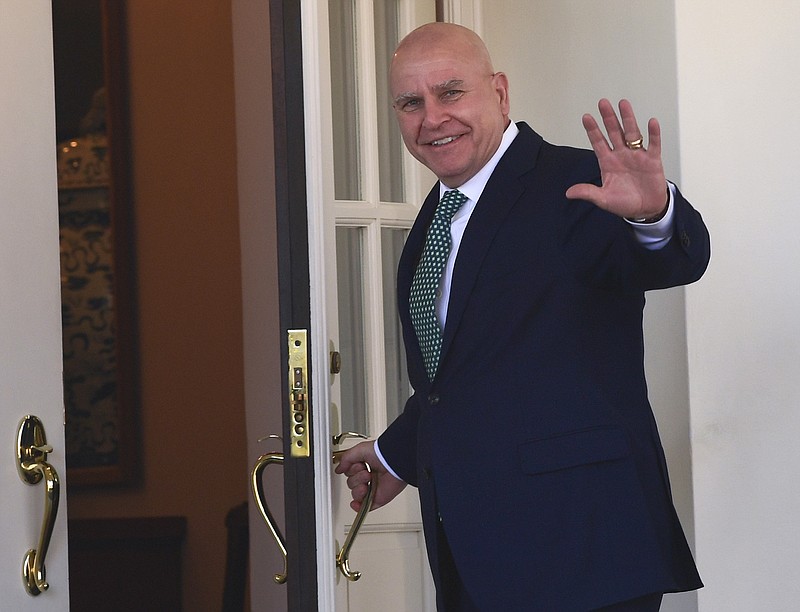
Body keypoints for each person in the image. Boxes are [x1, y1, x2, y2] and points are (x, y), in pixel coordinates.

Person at [335, 22, 709, 611]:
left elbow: (674, 261)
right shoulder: (434, 223)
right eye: (411, 102)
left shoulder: (579, 185)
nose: (432, 117)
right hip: (477, 561)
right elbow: (465, 379)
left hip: (585, 553)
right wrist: (393, 456)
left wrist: (654, 215)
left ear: (500, 92)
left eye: (450, 92)